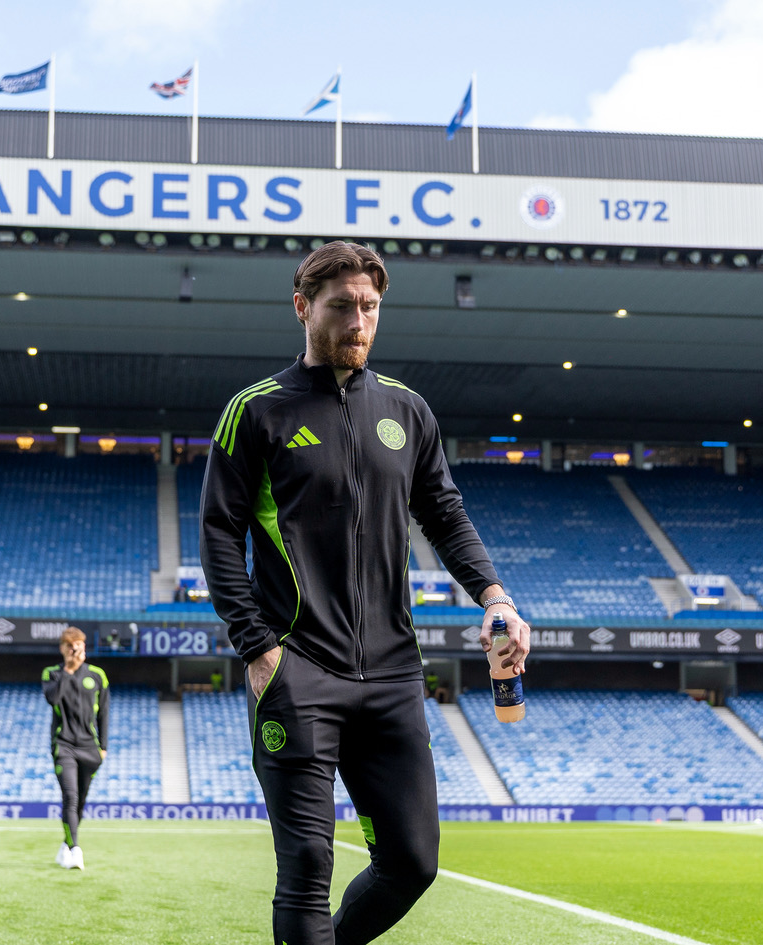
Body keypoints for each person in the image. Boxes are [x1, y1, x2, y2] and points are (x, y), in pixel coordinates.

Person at [200, 241, 529, 945]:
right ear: (303, 307)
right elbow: (218, 533)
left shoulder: (407, 411)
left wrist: (495, 595)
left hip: (391, 673)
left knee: (412, 862)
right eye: (343, 306)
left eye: (371, 307)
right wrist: (259, 650)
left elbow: (444, 513)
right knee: (309, 863)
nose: (359, 321)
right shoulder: (255, 411)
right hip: (297, 669)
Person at [41, 627, 109, 871]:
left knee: (79, 802)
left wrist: (104, 747)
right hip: (63, 745)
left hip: (90, 748)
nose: (75, 649)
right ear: (62, 648)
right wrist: (68, 670)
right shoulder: (52, 673)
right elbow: (52, 699)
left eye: (78, 644)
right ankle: (75, 849)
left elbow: (104, 713)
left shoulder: (98, 675)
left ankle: (65, 844)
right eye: (70, 645)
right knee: (70, 797)